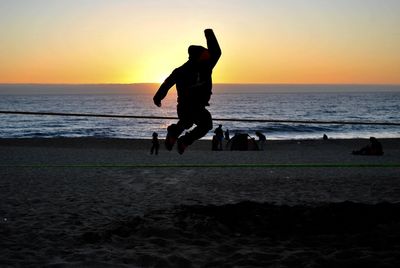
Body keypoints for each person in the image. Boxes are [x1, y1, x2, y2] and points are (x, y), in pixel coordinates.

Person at [153, 29, 221, 154]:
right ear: (198, 56)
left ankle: (177, 136)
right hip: (190, 106)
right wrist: (158, 97)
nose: (207, 56)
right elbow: (167, 83)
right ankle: (181, 138)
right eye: (204, 55)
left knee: (190, 122)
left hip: (190, 106)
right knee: (202, 123)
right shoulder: (192, 68)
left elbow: (216, 52)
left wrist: (158, 97)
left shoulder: (201, 66)